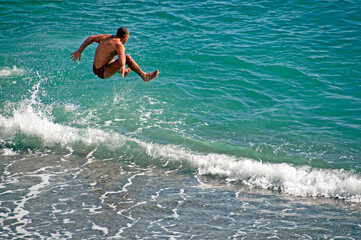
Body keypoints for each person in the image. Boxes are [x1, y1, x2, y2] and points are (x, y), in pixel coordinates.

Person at [70, 27, 159, 81]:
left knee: (111, 56)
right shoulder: (119, 45)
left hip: (95, 68)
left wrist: (79, 51)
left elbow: (90, 38)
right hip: (102, 72)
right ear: (125, 36)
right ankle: (144, 76)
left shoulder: (106, 37)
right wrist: (123, 66)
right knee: (126, 58)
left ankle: (126, 71)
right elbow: (122, 56)